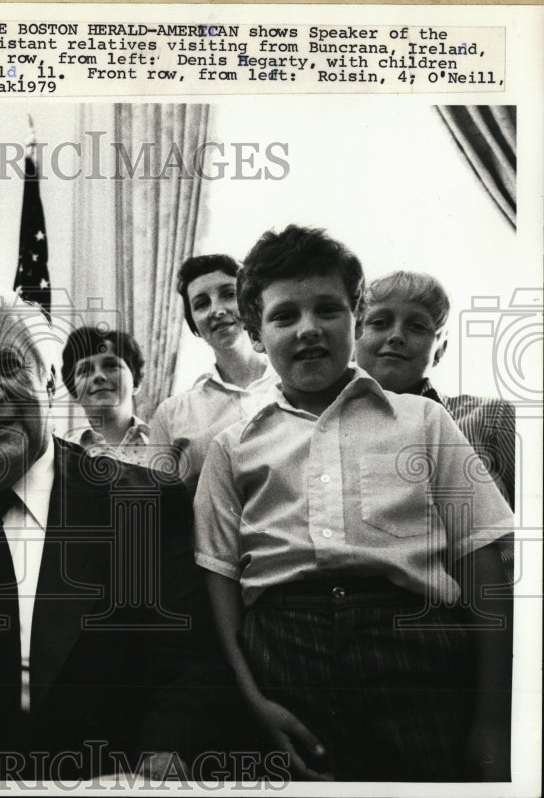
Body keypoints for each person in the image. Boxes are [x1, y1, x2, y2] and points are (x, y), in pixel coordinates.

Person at [193, 225, 513, 782]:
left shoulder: (426, 422)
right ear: (255, 331)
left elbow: (482, 567)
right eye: (284, 316)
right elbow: (219, 585)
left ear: (356, 313)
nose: (309, 329)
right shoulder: (232, 449)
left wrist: (490, 723)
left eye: (328, 309)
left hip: (416, 654)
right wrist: (252, 700)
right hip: (284, 657)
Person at [0, 285, 221, 781]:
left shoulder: (138, 503)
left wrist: (160, 764)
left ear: (47, 381)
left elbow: (189, 660)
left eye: (6, 366)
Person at [356, 270, 516, 510]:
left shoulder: (491, 418)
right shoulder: (323, 429)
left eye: (417, 326)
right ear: (352, 339)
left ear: (441, 349)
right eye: (379, 323)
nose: (397, 336)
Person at [150, 254, 277, 493]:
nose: (216, 310)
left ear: (250, 303)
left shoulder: (295, 386)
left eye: (228, 295)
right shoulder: (171, 414)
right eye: (201, 304)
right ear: (194, 325)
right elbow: (160, 508)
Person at [60, 325, 152, 466]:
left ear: (136, 383)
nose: (99, 376)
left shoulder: (162, 444)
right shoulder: (61, 455)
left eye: (111, 365)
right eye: (85, 370)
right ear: (74, 394)